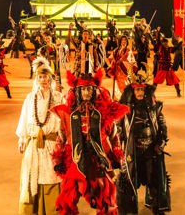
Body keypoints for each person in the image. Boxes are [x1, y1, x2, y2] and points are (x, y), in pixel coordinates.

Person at [51, 71, 129, 214]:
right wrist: (57, 159)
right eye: (83, 89)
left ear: (95, 92)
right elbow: (61, 138)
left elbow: (113, 136)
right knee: (67, 200)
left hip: (98, 160)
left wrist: (117, 154)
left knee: (107, 200)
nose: (86, 92)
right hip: (75, 159)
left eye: (89, 89)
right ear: (77, 92)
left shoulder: (103, 113)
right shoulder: (68, 114)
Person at [16, 58, 64, 215]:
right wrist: (22, 139)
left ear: (51, 79)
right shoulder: (30, 98)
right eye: (41, 77)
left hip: (51, 146)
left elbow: (64, 123)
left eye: (46, 77)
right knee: (31, 178)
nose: (44, 80)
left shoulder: (58, 97)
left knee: (50, 177)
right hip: (33, 145)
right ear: (37, 79)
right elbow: (24, 120)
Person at [117, 77, 171, 214]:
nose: (140, 92)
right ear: (132, 91)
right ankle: (129, 210)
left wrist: (161, 142)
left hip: (150, 151)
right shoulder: (124, 110)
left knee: (154, 181)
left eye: (142, 89)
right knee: (128, 182)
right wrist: (118, 147)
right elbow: (117, 130)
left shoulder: (154, 107)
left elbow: (162, 126)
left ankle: (157, 208)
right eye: (137, 90)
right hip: (131, 151)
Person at [152, 30, 181, 97]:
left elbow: (175, 48)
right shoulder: (160, 47)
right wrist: (158, 32)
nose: (166, 44)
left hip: (168, 68)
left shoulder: (169, 49)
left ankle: (178, 92)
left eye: (166, 43)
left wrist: (181, 42)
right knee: (156, 81)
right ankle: (151, 93)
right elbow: (158, 40)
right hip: (162, 68)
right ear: (162, 43)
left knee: (175, 80)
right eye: (164, 43)